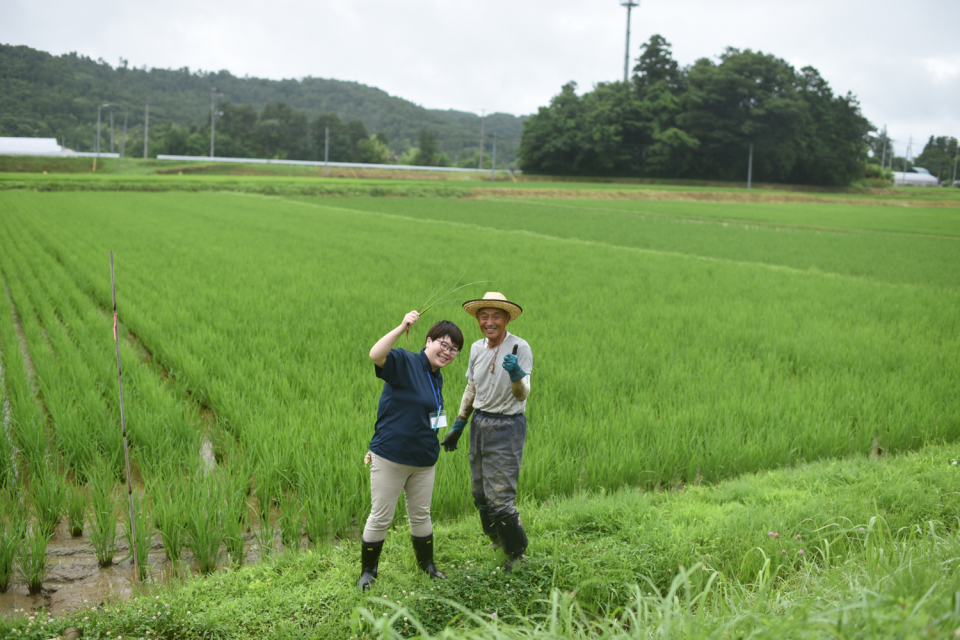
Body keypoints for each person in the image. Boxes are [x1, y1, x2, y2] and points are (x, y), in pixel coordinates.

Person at [357, 310, 464, 591]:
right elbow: (375, 354)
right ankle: (368, 572)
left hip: (424, 460)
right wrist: (402, 326)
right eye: (444, 344)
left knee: (421, 514)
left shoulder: (436, 376)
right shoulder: (405, 361)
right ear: (428, 341)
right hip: (391, 456)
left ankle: (427, 565)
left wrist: (445, 432)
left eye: (454, 349)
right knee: (380, 516)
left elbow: (432, 414)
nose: (448, 351)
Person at [441, 292, 532, 572]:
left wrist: (516, 374)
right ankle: (496, 539)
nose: (489, 321)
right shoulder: (478, 348)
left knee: (500, 496)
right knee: (479, 491)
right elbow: (472, 388)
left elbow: (521, 395)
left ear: (506, 318)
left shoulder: (520, 347)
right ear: (477, 319)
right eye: (484, 316)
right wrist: (459, 424)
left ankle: (517, 553)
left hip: (507, 426)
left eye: (495, 316)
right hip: (480, 424)